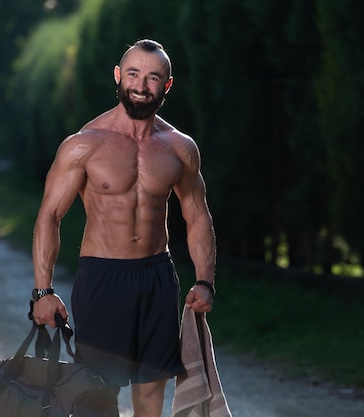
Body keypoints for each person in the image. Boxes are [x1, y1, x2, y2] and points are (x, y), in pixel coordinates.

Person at [31, 39, 216, 417]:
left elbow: (197, 215)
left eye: (153, 78)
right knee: (97, 396)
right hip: (103, 277)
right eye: (133, 74)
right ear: (118, 77)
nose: (141, 85)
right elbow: (50, 215)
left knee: (150, 396)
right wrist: (42, 291)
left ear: (167, 86)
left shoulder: (180, 148)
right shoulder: (84, 145)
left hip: (157, 278)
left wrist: (205, 280)